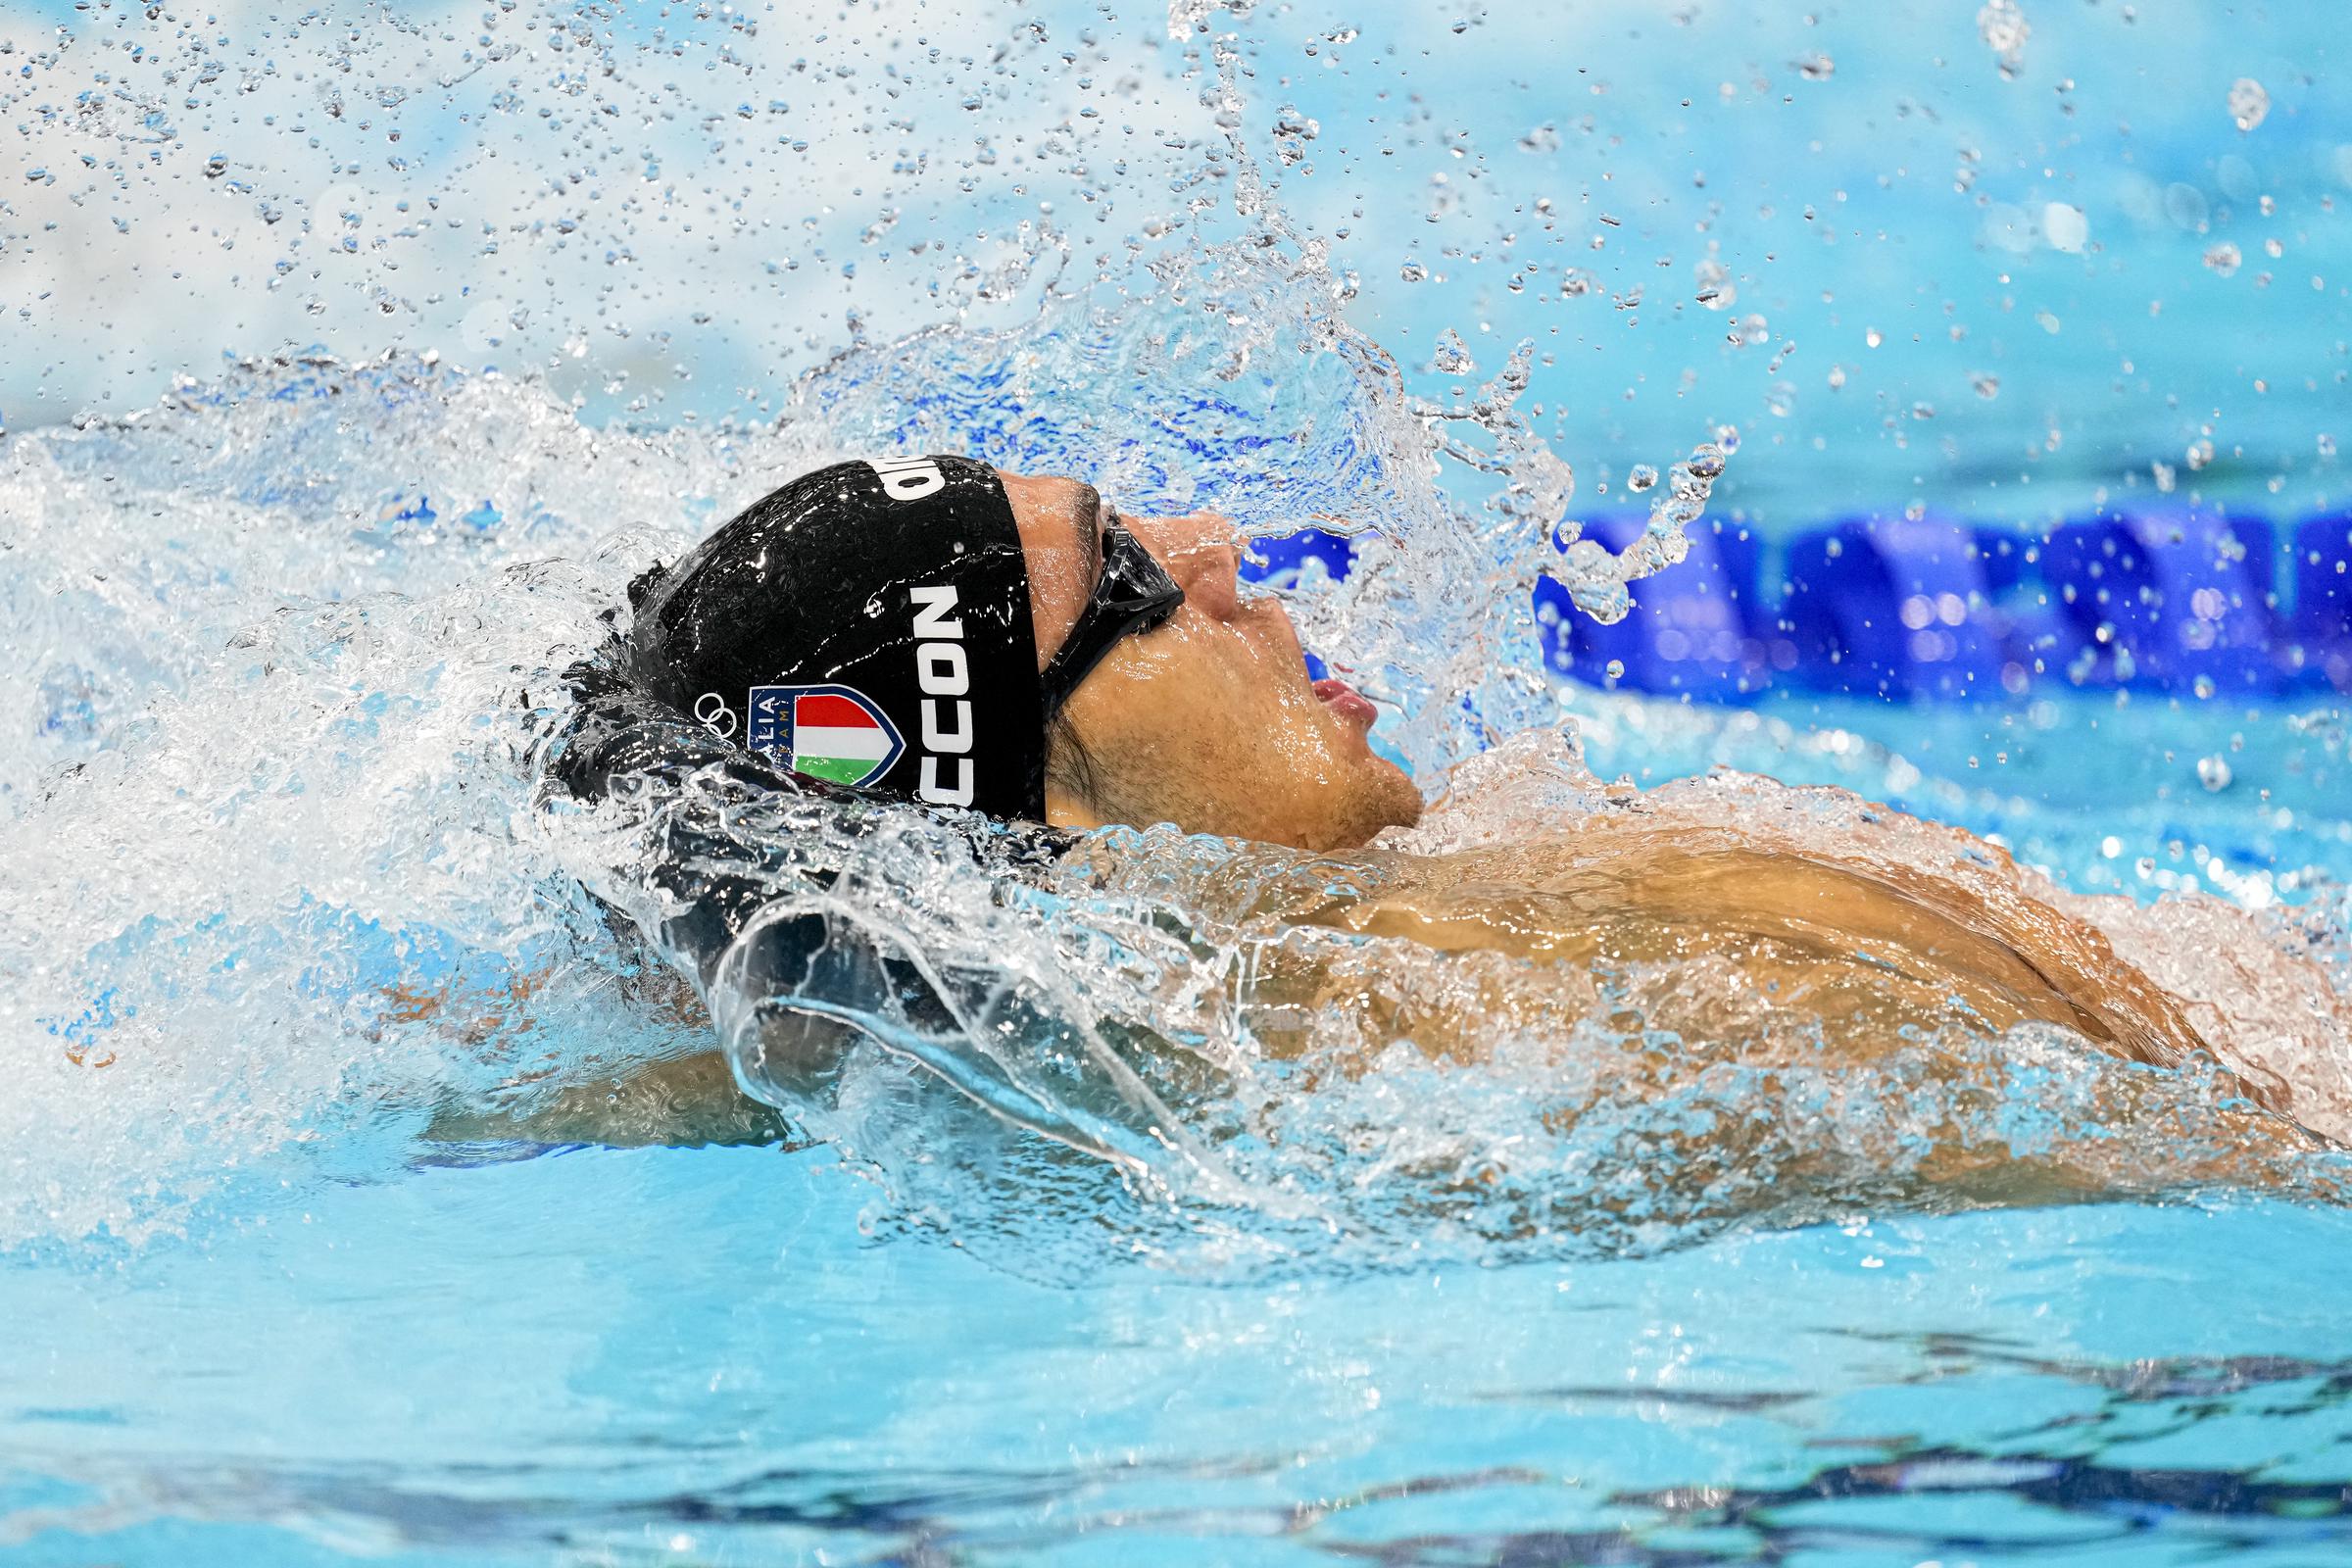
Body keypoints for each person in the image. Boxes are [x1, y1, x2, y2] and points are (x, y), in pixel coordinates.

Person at [430, 455, 2344, 1187]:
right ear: (1051, 818)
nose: (1227, 552)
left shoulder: (1039, 1005)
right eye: (1137, 590)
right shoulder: (1433, 1005)